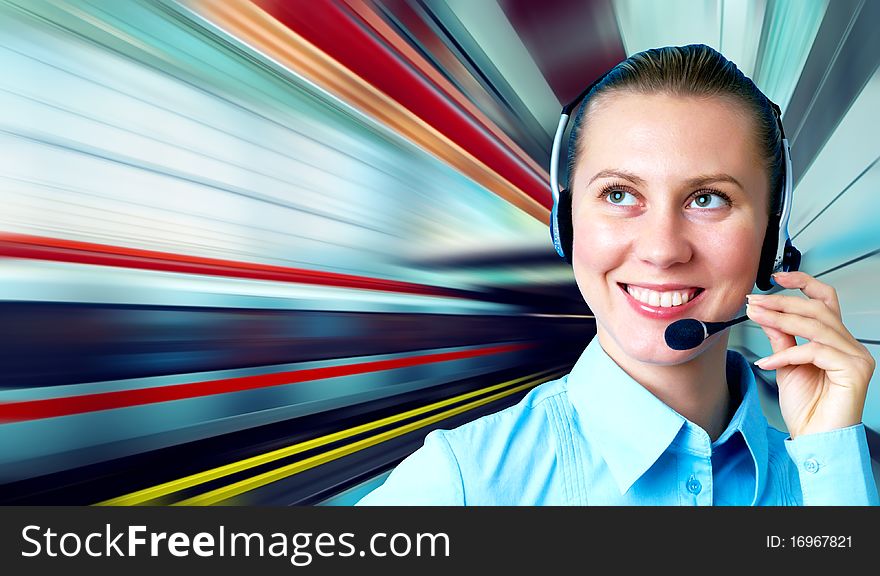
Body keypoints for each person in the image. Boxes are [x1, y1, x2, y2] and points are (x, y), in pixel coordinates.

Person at [357, 44, 878, 505]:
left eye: (707, 198)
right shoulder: (466, 483)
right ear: (566, 220)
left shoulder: (832, 475)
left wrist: (831, 461)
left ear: (771, 233)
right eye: (619, 194)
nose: (661, 249)